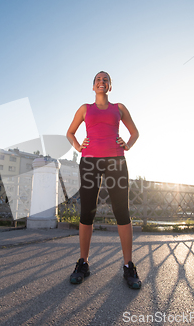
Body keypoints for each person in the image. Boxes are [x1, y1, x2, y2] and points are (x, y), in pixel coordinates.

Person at [66, 71, 141, 289]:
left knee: (122, 212)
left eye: (105, 79)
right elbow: (70, 133)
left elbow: (134, 133)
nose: (102, 81)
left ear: (110, 87)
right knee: (87, 211)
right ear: (93, 86)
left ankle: (128, 266)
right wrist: (79, 147)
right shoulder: (84, 109)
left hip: (116, 161)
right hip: (89, 162)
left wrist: (127, 144)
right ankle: (83, 263)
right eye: (98, 79)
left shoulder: (119, 108)